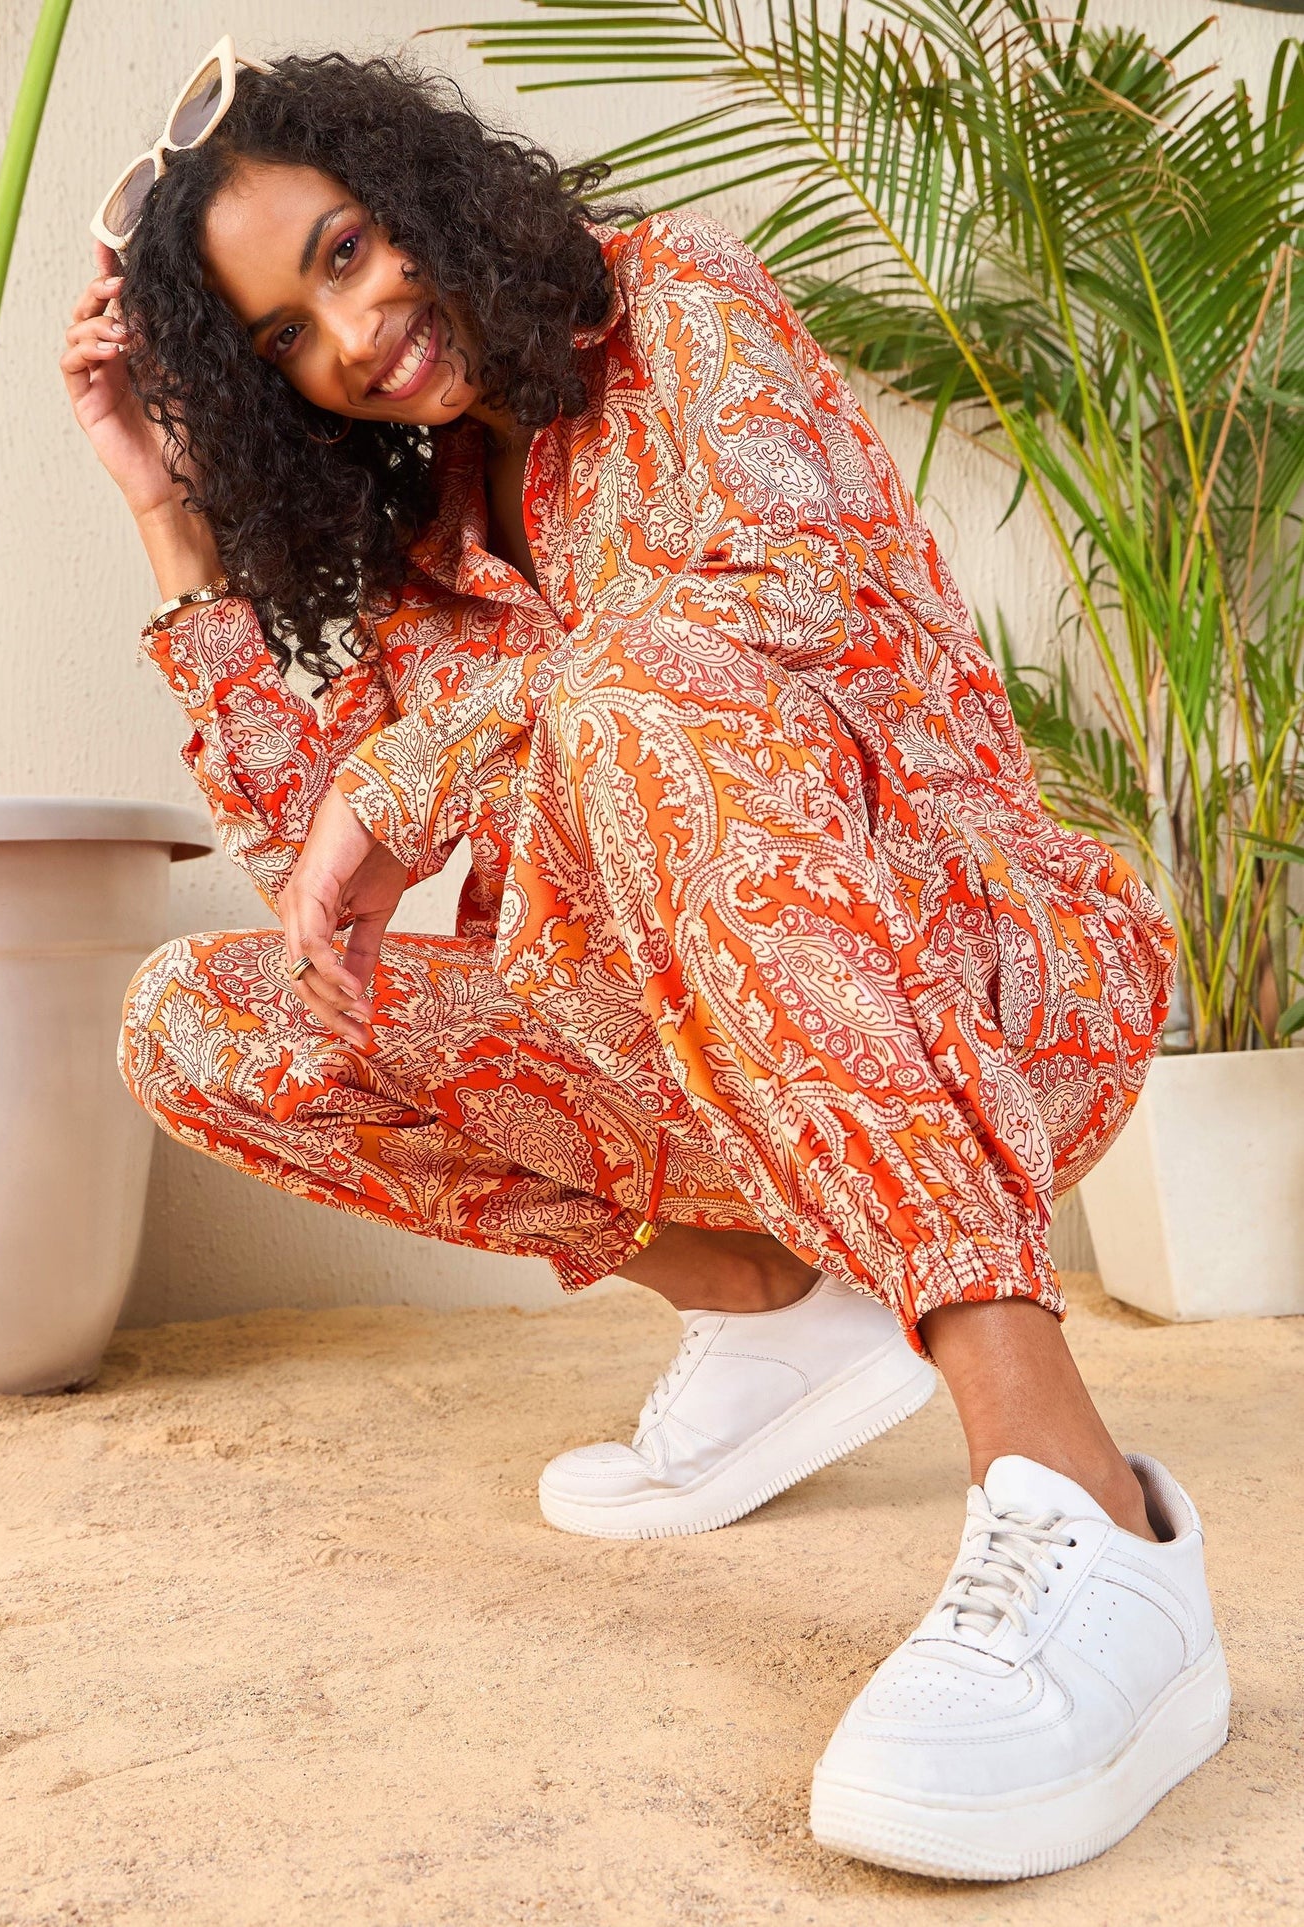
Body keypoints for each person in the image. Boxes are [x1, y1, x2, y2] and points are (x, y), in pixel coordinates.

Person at [62, 38, 1228, 1882]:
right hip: (697, 1063)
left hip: (981, 975)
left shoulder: (675, 305)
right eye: (290, 332)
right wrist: (155, 495)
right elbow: (322, 881)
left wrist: (433, 762)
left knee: (640, 699)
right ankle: (772, 1303)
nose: (353, 336)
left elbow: (765, 597)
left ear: (425, 195)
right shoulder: (421, 539)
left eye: (352, 250)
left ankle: (1084, 1513)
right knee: (207, 1019)